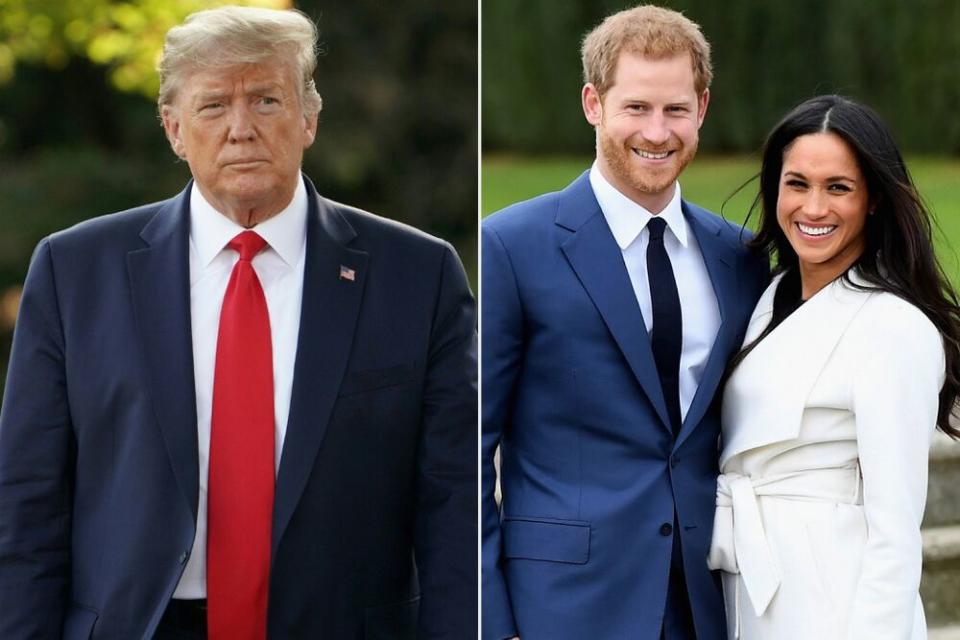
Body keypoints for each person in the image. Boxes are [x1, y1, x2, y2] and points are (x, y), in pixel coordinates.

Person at [0, 6, 477, 639]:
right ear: (173, 129)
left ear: (309, 118)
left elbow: (454, 503)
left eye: (267, 100)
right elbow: (27, 500)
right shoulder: (73, 270)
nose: (241, 129)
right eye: (213, 106)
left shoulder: (418, 274)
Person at [481, 5, 769, 639]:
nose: (658, 132)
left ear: (703, 108)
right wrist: (493, 621)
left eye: (675, 109)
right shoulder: (509, 245)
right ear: (593, 103)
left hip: (706, 599)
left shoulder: (741, 257)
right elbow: (469, 447)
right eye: (636, 107)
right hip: (561, 607)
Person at [707, 94, 960, 639]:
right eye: (797, 183)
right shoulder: (765, 298)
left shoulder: (894, 326)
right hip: (747, 587)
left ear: (873, 200)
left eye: (838, 188)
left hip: (836, 601)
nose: (813, 208)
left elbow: (896, 532)